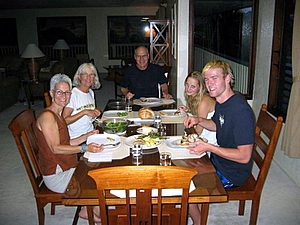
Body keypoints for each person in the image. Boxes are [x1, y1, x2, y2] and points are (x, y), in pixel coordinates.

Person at [183, 60, 255, 225]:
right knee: (182, 168)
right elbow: (216, 125)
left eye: (214, 78)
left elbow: (244, 156)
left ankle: (198, 220)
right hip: (218, 161)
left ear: (228, 78)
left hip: (232, 172)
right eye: (207, 80)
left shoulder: (241, 111)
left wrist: (209, 147)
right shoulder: (222, 101)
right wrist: (199, 120)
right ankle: (194, 209)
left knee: (184, 184)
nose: (209, 84)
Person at [34, 74, 103, 224]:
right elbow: (56, 148)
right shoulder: (48, 117)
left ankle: (91, 209)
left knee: (98, 168)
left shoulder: (58, 114)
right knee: (96, 180)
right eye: (59, 92)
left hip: (67, 166)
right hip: (56, 174)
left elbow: (67, 142)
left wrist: (87, 135)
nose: (64, 96)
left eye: (67, 92)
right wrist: (84, 148)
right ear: (52, 93)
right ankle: (94, 212)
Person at [63, 63, 101, 139]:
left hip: (90, 133)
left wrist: (95, 111)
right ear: (79, 76)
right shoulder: (73, 94)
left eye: (91, 75)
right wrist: (84, 112)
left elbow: (89, 116)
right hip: (76, 138)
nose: (88, 78)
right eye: (85, 74)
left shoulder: (90, 92)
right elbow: (64, 121)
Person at [178, 70, 217, 144]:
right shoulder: (194, 97)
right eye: (187, 84)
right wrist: (188, 110)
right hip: (204, 134)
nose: (188, 88)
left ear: (200, 88)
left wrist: (184, 141)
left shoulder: (204, 102)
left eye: (193, 86)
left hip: (209, 139)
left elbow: (199, 131)